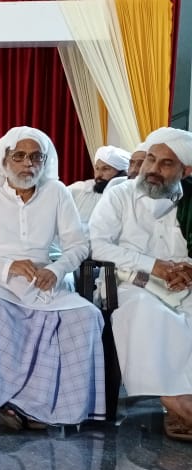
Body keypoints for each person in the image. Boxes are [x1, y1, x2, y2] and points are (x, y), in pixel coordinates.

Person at [0, 126, 106, 428]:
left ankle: (50, 408)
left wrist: (57, 269)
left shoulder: (57, 192)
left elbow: (78, 245)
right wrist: (7, 266)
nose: (29, 164)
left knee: (86, 316)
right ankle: (5, 401)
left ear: (45, 161)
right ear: (4, 159)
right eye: (20, 156)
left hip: (43, 280)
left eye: (37, 157)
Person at [89, 127, 192, 442]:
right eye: (150, 159)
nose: (153, 169)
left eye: (166, 163)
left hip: (183, 284)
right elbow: (98, 245)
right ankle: (174, 402)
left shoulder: (190, 199)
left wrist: (188, 270)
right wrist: (154, 266)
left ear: (186, 171)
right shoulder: (120, 194)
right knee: (148, 312)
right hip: (129, 282)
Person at [70, 145, 130, 223]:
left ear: (121, 173)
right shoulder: (81, 189)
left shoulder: (127, 198)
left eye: (105, 169)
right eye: (97, 168)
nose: (98, 175)